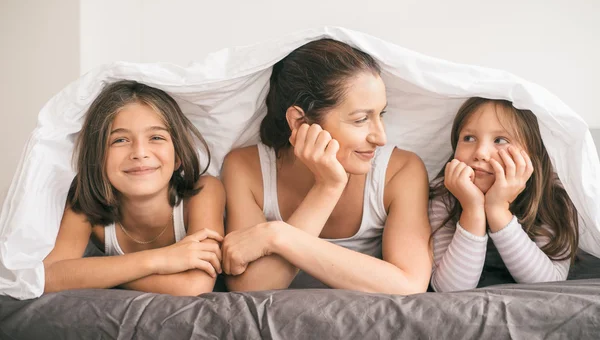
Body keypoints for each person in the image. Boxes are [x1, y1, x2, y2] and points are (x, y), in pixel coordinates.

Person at [221, 39, 432, 294]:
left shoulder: (401, 171)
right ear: (299, 121)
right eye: (361, 119)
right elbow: (252, 289)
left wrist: (278, 236)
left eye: (381, 115)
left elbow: (410, 286)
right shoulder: (246, 169)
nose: (380, 137)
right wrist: (327, 187)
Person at [43, 80, 225, 296]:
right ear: (98, 157)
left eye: (156, 137)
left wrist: (102, 274)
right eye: (120, 140)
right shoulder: (85, 201)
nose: (139, 152)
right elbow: (49, 276)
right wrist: (162, 259)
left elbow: (194, 286)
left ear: (178, 156)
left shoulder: (204, 191)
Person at [429, 97, 579, 292]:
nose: (480, 153)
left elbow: (550, 283)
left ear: (532, 153)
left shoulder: (554, 198)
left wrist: (497, 209)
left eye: (500, 140)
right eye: (469, 138)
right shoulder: (443, 194)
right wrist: (472, 209)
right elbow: (448, 289)